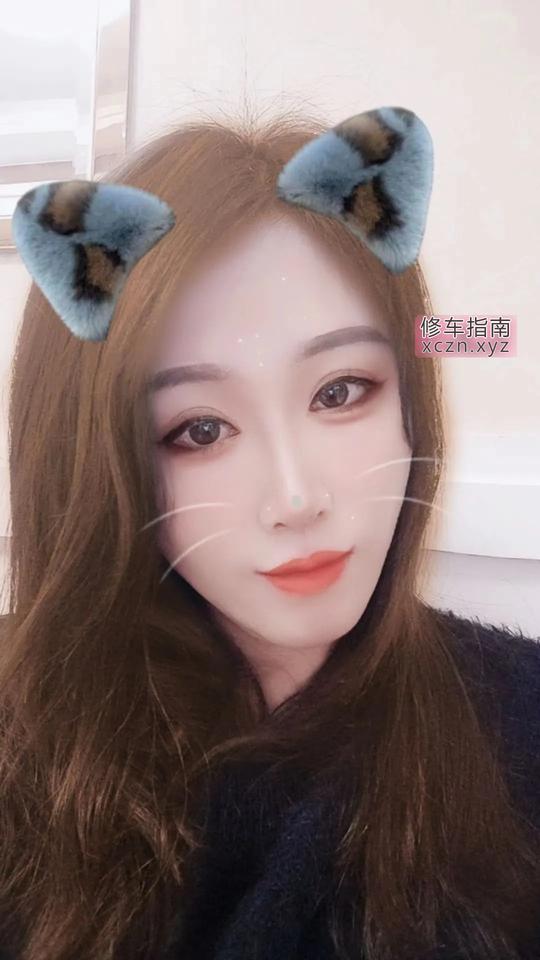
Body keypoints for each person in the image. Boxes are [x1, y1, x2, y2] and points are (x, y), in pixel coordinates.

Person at [1, 105, 539, 960]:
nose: (296, 498)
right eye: (200, 430)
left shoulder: (519, 718)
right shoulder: (21, 742)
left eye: (340, 391)